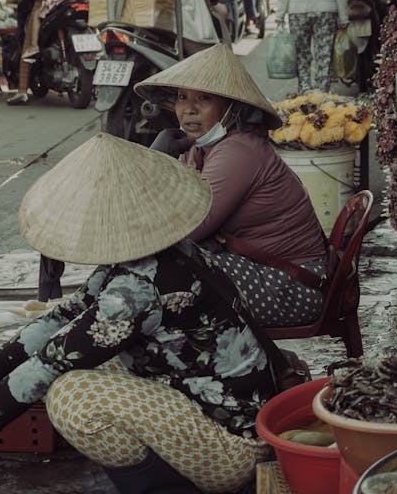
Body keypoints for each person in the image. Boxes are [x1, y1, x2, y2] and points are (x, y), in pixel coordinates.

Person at [0, 133, 276, 494]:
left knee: (71, 395)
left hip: (233, 446)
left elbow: (49, 365)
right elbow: (63, 316)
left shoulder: (135, 290)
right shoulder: (158, 251)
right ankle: (138, 479)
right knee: (88, 362)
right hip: (214, 403)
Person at [135, 42, 328, 328]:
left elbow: (186, 229)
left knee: (161, 275)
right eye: (182, 97)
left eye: (203, 99)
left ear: (230, 107)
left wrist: (154, 164)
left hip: (293, 285)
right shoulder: (202, 150)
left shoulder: (237, 151)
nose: (189, 110)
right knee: (140, 274)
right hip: (263, 271)